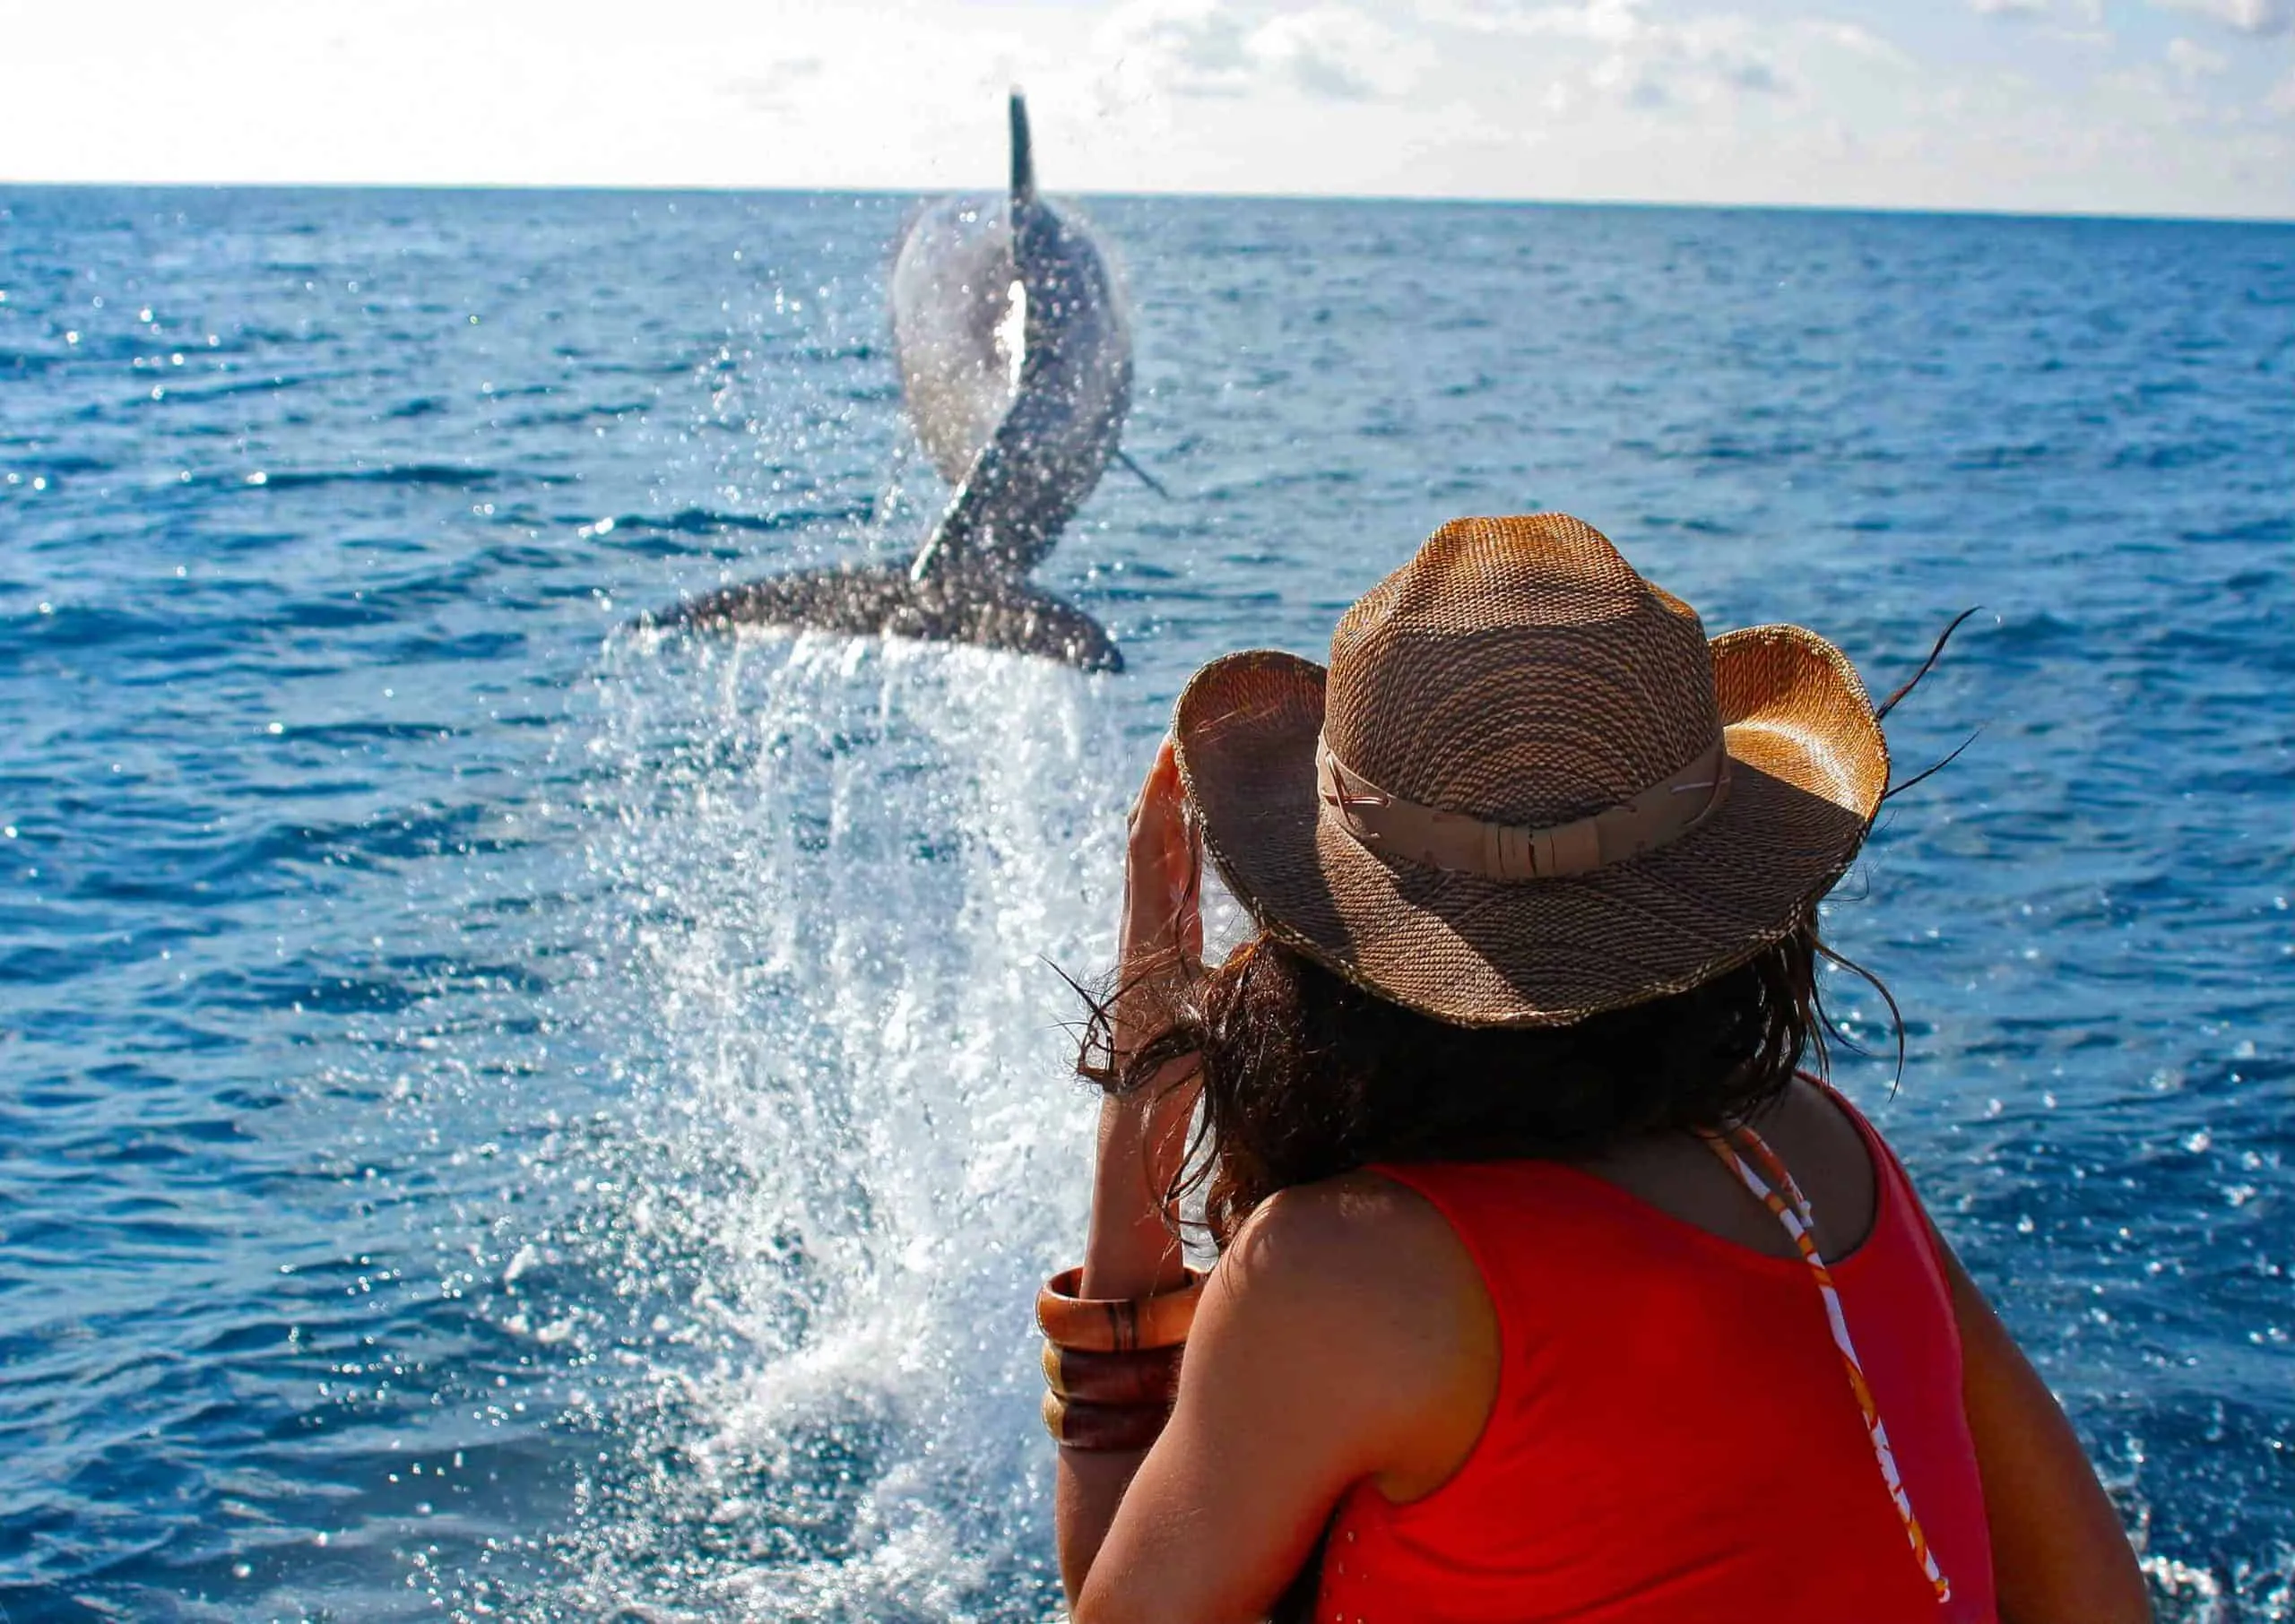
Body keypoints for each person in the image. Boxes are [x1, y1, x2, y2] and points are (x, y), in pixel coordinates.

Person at [1036, 514, 2150, 1624]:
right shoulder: (1819, 1156)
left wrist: (1152, 1045)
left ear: (1323, 929)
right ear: (1731, 900)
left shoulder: (1343, 1277)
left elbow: (1118, 1606)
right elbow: (2096, 1599)